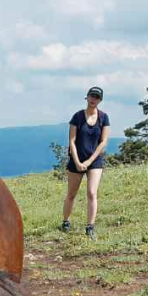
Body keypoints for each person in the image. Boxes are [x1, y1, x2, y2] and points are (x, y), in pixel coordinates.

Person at [60, 86, 110, 238]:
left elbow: (103, 142)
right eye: (92, 96)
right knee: (71, 194)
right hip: (76, 159)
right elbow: (72, 141)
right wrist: (77, 161)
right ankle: (66, 222)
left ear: (100, 100)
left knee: (92, 193)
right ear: (87, 97)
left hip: (94, 161)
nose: (94, 99)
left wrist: (88, 162)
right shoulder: (77, 117)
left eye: (97, 97)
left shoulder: (103, 117)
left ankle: (90, 227)